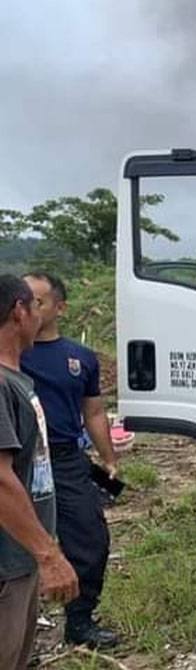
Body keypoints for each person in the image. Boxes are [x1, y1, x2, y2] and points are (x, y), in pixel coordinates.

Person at [20, 272, 119, 649]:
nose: (28, 308)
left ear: (60, 307)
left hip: (65, 459)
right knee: (17, 547)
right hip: (20, 459)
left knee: (90, 540)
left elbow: (93, 411)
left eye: (38, 301)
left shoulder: (80, 357)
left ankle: (80, 622)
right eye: (23, 300)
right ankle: (19, 637)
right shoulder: (11, 352)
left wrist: (108, 459)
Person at [0, 275, 79, 670]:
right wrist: (48, 556)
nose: (38, 315)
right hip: (7, 565)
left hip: (20, 559)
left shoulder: (15, 380)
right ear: (19, 311)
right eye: (34, 306)